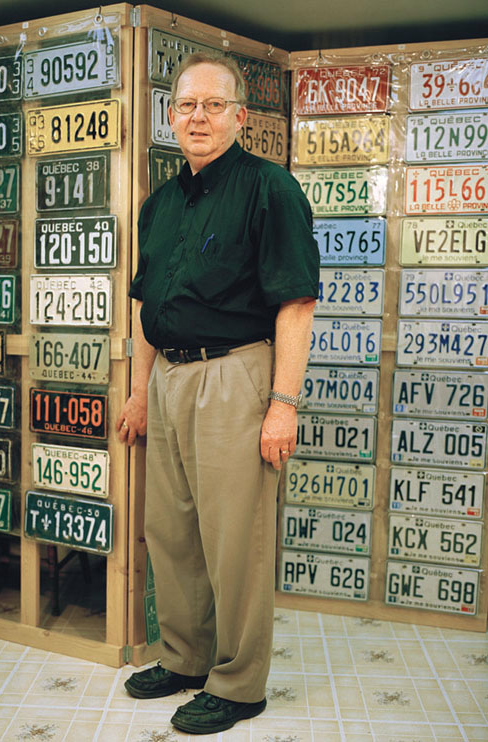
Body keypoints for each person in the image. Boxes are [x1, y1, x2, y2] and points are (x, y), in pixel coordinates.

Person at [117, 52, 319, 735]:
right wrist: (138, 392)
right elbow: (145, 303)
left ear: (240, 115)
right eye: (186, 105)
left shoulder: (270, 188)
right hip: (167, 378)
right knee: (171, 531)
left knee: (236, 540)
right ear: (171, 116)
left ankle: (237, 684)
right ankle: (185, 658)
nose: (197, 117)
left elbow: (296, 302)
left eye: (213, 105)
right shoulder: (160, 203)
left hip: (235, 376)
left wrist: (283, 404)